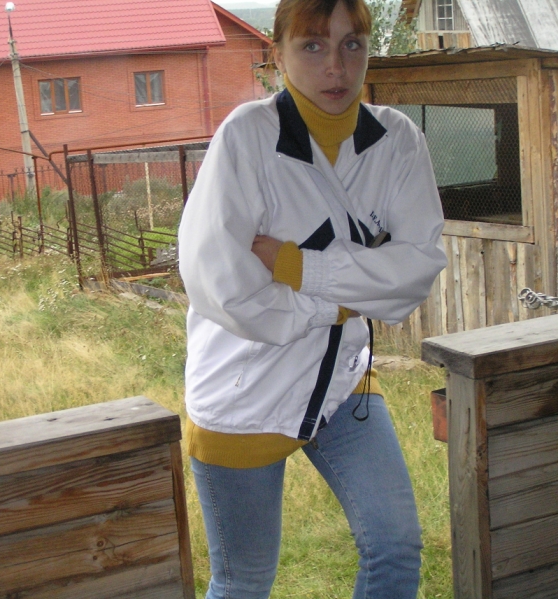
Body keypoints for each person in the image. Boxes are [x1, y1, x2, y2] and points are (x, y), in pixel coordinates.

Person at [177, 0, 447, 596]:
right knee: (245, 582)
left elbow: (417, 269)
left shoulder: (397, 141)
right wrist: (351, 298)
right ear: (278, 54)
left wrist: (296, 266)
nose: (336, 67)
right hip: (244, 392)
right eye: (313, 45)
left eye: (353, 44)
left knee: (396, 548)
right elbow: (223, 286)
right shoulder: (246, 138)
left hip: (340, 383)